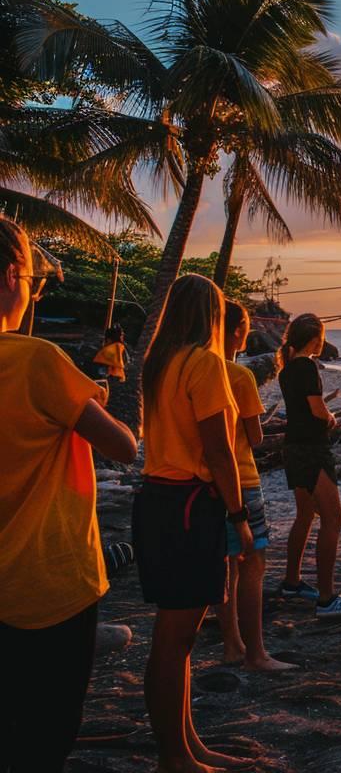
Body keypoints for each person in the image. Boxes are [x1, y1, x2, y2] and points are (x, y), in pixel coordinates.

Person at [0, 217, 137, 771]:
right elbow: (124, 447)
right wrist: (92, 401)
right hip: (44, 585)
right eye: (35, 280)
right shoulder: (37, 361)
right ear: (11, 275)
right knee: (42, 739)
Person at [133, 273, 255, 771]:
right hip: (189, 504)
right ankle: (173, 756)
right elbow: (220, 451)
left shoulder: (159, 362)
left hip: (157, 500)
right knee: (174, 638)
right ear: (212, 316)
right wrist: (239, 516)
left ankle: (187, 745)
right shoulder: (204, 364)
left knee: (177, 638)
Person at [214, 301, 295, 672]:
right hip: (242, 478)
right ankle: (256, 654)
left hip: (207, 481)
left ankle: (232, 644)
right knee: (253, 563)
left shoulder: (193, 370)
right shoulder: (238, 376)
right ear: (237, 330)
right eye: (246, 326)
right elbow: (256, 436)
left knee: (225, 565)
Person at [276, 314, 341, 617]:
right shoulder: (307, 366)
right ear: (314, 340)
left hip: (293, 447)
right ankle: (326, 598)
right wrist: (333, 419)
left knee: (305, 515)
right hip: (312, 448)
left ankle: (292, 581)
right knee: (334, 519)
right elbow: (316, 409)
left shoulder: (286, 368)